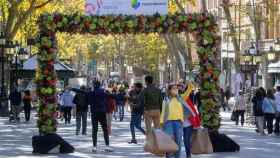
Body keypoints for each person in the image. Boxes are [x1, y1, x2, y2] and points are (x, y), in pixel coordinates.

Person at [160, 84, 192, 158]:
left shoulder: (180, 98)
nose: (176, 90)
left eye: (176, 89)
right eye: (174, 89)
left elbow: (187, 92)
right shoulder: (166, 99)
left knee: (178, 142)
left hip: (178, 122)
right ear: (170, 90)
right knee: (169, 142)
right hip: (168, 123)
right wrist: (161, 123)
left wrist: (190, 86)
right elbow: (163, 111)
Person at [88, 81, 113, 152]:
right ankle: (107, 146)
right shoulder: (104, 93)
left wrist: (73, 89)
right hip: (102, 112)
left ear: (93, 85)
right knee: (105, 129)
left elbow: (82, 92)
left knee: (94, 130)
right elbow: (113, 96)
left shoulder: (91, 93)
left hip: (94, 113)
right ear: (100, 85)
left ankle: (94, 147)